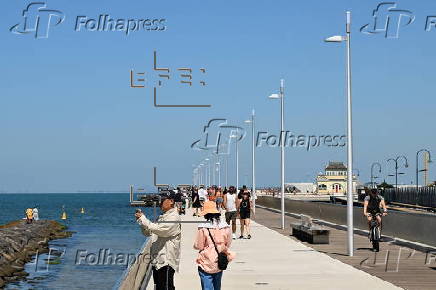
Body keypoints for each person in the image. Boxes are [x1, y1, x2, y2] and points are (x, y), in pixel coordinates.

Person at [135, 193, 181, 290]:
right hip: (157, 260)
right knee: (159, 287)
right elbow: (149, 233)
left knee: (167, 287)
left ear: (171, 201)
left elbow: (161, 230)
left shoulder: (174, 217)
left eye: (162, 200)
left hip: (166, 261)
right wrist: (142, 222)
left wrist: (143, 219)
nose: (159, 203)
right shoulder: (163, 216)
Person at [194, 201, 235, 290]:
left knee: (207, 286)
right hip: (220, 260)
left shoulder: (203, 227)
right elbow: (228, 243)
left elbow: (199, 245)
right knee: (217, 286)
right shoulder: (225, 226)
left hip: (206, 261)